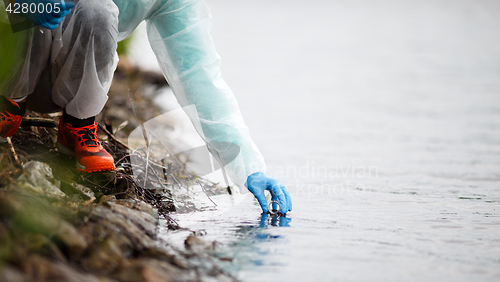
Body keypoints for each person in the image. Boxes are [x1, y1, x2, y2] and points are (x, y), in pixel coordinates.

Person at [0, 0, 292, 214]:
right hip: (9, 51)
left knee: (98, 9)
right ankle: (8, 104)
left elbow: (200, 77)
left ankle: (78, 126)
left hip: (61, 83)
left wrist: (249, 167)